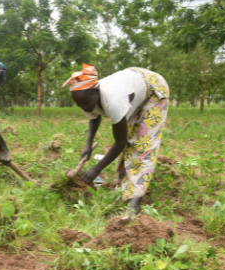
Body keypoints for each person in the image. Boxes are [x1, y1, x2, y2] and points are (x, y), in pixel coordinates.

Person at [66, 64, 169, 213]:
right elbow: (95, 117)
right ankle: (125, 190)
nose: (83, 107)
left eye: (85, 103)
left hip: (153, 88)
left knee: (142, 145)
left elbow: (120, 142)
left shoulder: (113, 101)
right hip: (132, 84)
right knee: (129, 145)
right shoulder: (88, 97)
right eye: (78, 104)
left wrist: (97, 168)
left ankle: (135, 202)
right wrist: (87, 145)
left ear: (96, 92)